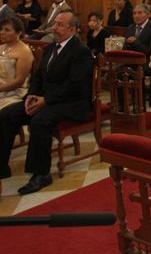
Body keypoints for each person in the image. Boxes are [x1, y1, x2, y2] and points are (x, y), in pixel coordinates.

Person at [0, 11, 93, 193]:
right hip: (47, 99)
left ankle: (41, 174)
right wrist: (31, 97)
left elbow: (74, 86)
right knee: (7, 114)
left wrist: (45, 100)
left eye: (59, 25)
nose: (54, 28)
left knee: (39, 121)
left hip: (71, 103)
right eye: (55, 23)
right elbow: (39, 78)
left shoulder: (81, 51)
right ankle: (2, 166)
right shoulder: (50, 48)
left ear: (72, 29)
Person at [0, 17, 34, 113]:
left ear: (19, 33)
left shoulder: (24, 51)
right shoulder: (1, 47)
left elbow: (19, 81)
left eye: (7, 30)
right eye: (1, 29)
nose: (2, 32)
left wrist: (1, 88)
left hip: (13, 92)